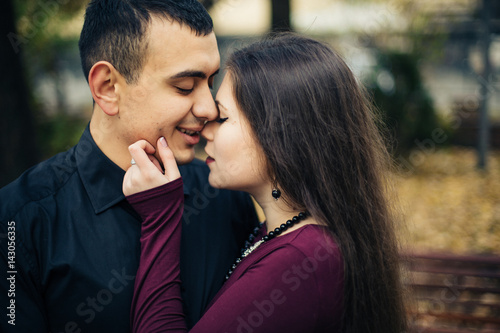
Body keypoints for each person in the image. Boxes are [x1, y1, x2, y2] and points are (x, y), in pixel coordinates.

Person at [0, 1, 259, 332]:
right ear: (107, 88)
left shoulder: (223, 194)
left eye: (210, 82)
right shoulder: (18, 222)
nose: (209, 108)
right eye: (184, 87)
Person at [124, 33, 408, 332]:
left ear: (278, 135)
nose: (205, 131)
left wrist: (159, 218)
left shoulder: (301, 262)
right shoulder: (289, 240)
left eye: (222, 118)